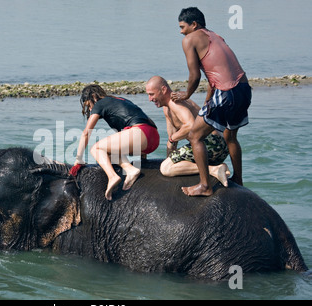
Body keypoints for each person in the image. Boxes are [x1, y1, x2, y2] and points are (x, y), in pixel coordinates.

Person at [171, 7, 252, 196]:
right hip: (243, 89)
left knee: (194, 136)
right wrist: (208, 101)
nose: (181, 31)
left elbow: (195, 75)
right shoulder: (216, 36)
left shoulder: (189, 39)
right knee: (230, 136)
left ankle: (205, 185)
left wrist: (186, 95)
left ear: (194, 24)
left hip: (226, 92)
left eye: (183, 27)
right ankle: (238, 178)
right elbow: (214, 74)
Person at [73, 84, 160, 200]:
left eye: (88, 105)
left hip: (140, 133)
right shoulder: (119, 101)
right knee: (109, 151)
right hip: (152, 138)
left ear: (93, 97)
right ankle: (130, 169)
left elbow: (86, 133)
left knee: (96, 148)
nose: (90, 109)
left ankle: (112, 176)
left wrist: (78, 159)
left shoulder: (100, 103)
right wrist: (143, 160)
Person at [146, 76, 230, 186]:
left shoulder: (174, 102)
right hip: (217, 147)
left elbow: (190, 125)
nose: (150, 99)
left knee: (166, 168)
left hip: (211, 143)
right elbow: (171, 142)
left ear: (163, 90)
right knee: (169, 165)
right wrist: (171, 157)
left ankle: (214, 169)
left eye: (152, 94)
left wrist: (172, 140)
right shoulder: (167, 108)